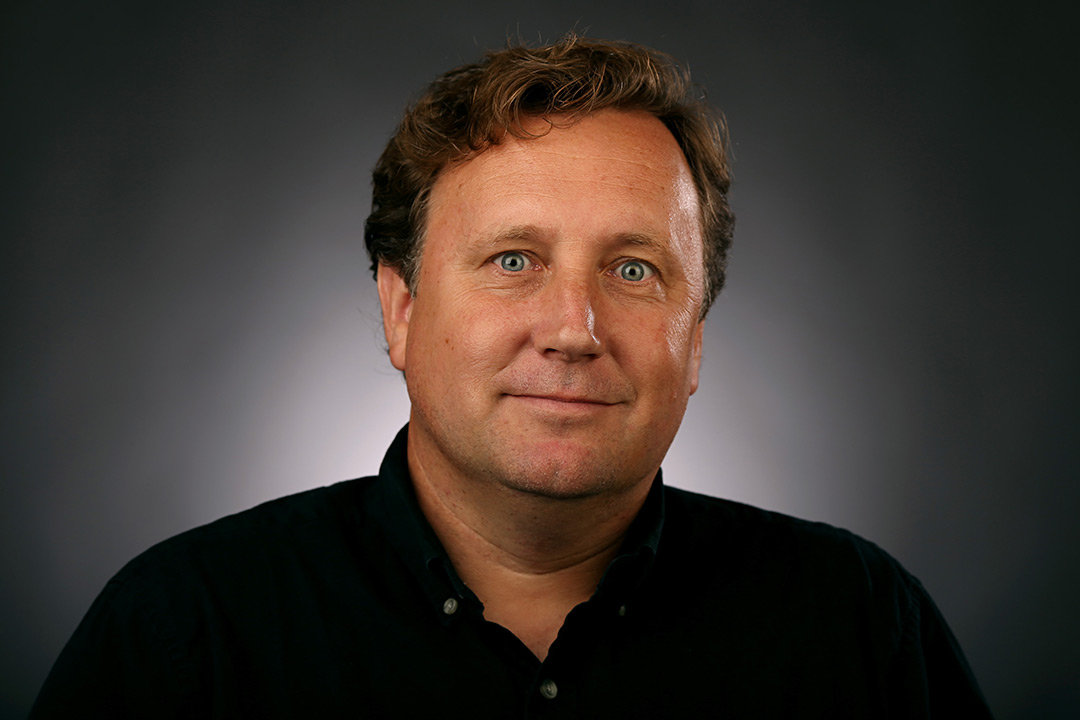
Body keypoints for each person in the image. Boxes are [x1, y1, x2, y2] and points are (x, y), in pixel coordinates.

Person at [31, 36, 993, 718]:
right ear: (400, 309)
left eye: (633, 270)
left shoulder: (862, 628)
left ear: (695, 338)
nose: (574, 331)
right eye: (512, 260)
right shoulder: (182, 635)